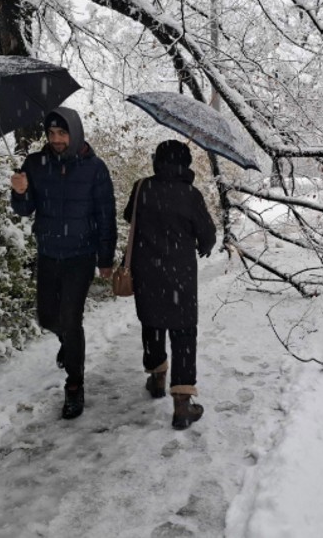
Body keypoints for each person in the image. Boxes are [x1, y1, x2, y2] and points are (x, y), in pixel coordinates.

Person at [10, 107, 116, 420]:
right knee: (46, 317)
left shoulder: (95, 168)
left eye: (62, 133)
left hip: (80, 256)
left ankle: (74, 385)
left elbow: (105, 216)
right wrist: (19, 192)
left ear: (75, 133)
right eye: (52, 133)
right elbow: (25, 210)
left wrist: (105, 258)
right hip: (48, 253)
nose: (56, 139)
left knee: (70, 318)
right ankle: (68, 343)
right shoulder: (34, 164)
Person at [123, 140, 216, 430]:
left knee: (152, 323)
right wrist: (202, 244)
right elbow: (208, 235)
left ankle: (157, 377)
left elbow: (129, 217)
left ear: (156, 161)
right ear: (186, 164)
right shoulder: (191, 195)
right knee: (184, 333)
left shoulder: (142, 188)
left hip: (147, 272)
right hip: (180, 277)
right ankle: (182, 405)